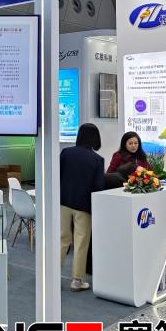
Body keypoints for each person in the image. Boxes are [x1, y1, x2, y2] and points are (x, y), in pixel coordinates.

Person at [59, 123, 105, 292]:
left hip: (63, 201)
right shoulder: (97, 160)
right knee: (81, 242)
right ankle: (77, 281)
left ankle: (51, 275)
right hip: (84, 206)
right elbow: (98, 187)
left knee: (62, 239)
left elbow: (57, 175)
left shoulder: (66, 153)